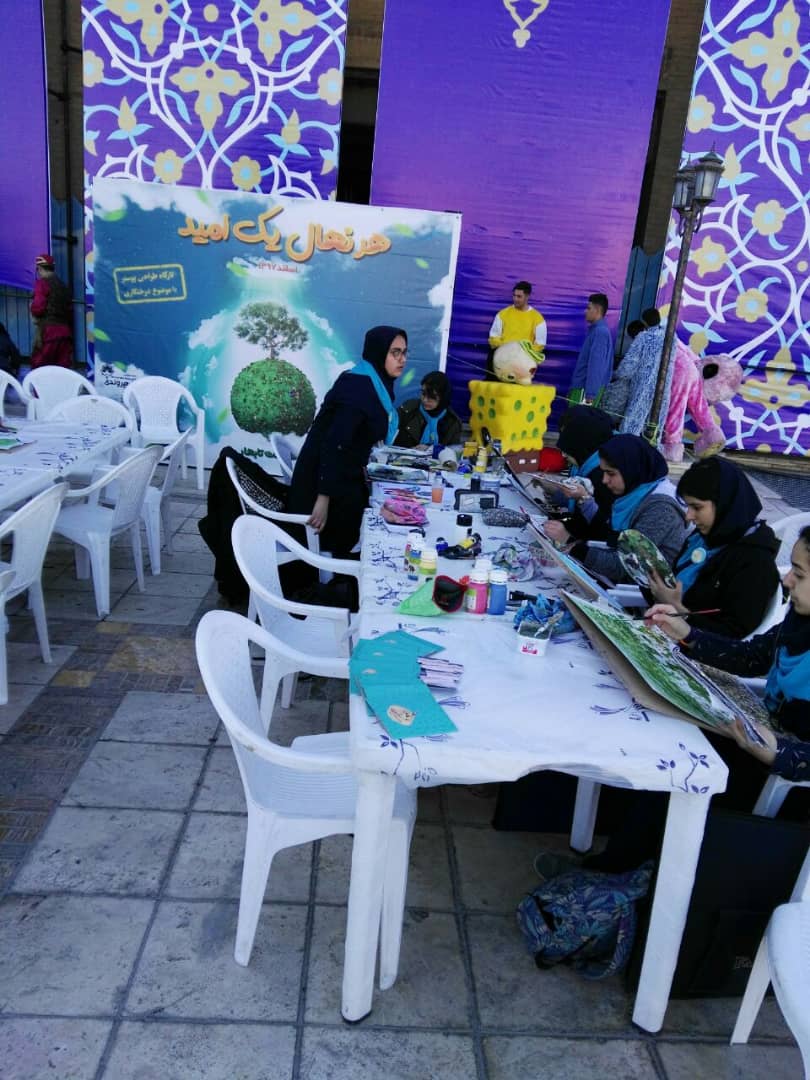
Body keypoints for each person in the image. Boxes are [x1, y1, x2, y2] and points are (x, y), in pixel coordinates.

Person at [648, 523, 810, 785]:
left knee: (672, 767)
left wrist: (778, 753)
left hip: (781, 779)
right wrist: (686, 632)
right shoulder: (799, 624)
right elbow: (751, 656)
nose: (787, 580)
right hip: (755, 736)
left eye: (799, 574)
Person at [286, 325, 407, 556]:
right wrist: (323, 498)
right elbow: (334, 444)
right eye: (395, 353)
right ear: (378, 352)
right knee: (374, 530)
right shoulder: (357, 387)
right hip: (322, 487)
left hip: (344, 476)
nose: (402, 359)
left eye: (404, 352)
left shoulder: (374, 384)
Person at [647, 457, 780, 638]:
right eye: (688, 506)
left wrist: (679, 611)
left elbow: (735, 635)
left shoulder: (755, 562)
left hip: (690, 648)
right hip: (663, 630)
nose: (688, 516)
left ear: (725, 504)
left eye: (697, 507)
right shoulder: (705, 537)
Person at [545, 433, 687, 584]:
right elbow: (611, 537)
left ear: (631, 470)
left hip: (642, 592)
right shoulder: (632, 494)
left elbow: (625, 566)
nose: (604, 480)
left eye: (610, 473)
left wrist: (572, 545)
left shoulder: (660, 509)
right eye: (604, 472)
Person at [535, 405, 615, 541]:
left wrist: (568, 538)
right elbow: (575, 502)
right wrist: (554, 489)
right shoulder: (585, 463)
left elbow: (601, 533)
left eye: (568, 439)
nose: (563, 454)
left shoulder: (604, 475)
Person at [394, 370, 462, 449]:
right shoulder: (407, 409)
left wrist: (430, 449)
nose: (425, 400)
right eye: (423, 394)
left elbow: (453, 452)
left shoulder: (452, 422)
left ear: (443, 397)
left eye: (432, 397)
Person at [568, 293, 613, 406]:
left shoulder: (600, 332)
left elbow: (596, 365)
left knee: (577, 417)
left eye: (588, 308)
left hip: (585, 391)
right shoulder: (596, 330)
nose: (585, 311)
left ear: (597, 310)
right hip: (583, 389)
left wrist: (590, 395)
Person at [30, 253, 74, 369]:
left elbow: (38, 308)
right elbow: (69, 311)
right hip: (65, 333)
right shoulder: (63, 286)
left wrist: (33, 311)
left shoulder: (42, 283)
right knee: (62, 368)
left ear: (40, 268)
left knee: (40, 367)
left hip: (48, 332)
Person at [488, 281, 547, 352]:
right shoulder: (502, 314)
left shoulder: (537, 318)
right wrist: (505, 349)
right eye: (514, 295)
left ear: (527, 297)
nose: (515, 299)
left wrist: (525, 353)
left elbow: (540, 344)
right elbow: (494, 337)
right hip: (503, 352)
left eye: (519, 296)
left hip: (525, 355)